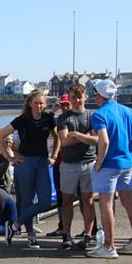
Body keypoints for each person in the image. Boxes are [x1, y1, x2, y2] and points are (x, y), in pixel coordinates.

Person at [87, 79, 132, 258]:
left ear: (98, 95)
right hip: (127, 163)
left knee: (106, 204)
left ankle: (109, 246)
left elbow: (104, 141)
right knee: (128, 202)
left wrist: (99, 162)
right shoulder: (129, 111)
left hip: (109, 164)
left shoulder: (99, 114)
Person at [0, 90, 60, 249]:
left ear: (45, 104)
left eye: (41, 103)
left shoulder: (48, 118)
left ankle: (14, 226)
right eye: (36, 103)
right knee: (27, 201)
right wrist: (9, 158)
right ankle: (31, 236)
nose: (39, 106)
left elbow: (57, 137)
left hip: (42, 163)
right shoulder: (22, 120)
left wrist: (54, 156)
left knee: (45, 201)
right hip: (25, 163)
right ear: (30, 104)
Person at [56, 84, 98, 249]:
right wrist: (86, 136)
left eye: (79, 96)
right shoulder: (63, 118)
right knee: (66, 201)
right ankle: (66, 234)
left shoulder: (92, 116)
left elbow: (97, 140)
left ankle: (88, 234)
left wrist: (77, 135)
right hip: (68, 165)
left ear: (85, 97)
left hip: (88, 163)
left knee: (87, 201)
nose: (76, 100)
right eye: (73, 97)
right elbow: (64, 142)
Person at [45, 94, 72, 238]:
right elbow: (46, 123)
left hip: (75, 162)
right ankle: (62, 227)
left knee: (85, 198)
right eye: (63, 105)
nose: (65, 107)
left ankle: (91, 231)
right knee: (61, 197)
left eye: (67, 104)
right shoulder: (59, 120)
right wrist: (52, 112)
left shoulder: (79, 117)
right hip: (60, 162)